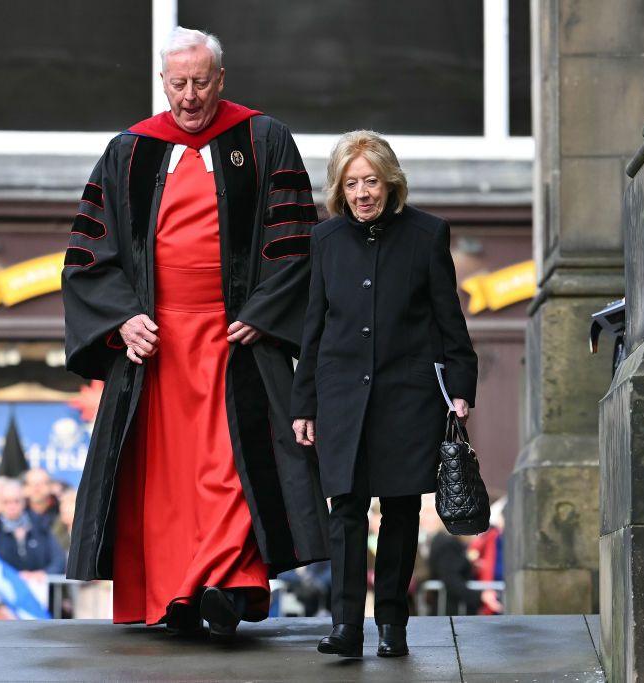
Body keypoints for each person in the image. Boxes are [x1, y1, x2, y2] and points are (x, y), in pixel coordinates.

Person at [62, 26, 328, 639]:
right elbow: (86, 255)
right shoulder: (129, 151)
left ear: (221, 81)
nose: (188, 97)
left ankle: (225, 589)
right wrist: (121, 318)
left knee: (232, 471)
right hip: (157, 345)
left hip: (236, 338)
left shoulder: (263, 139)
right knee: (164, 482)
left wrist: (265, 311)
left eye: (200, 83)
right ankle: (175, 594)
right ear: (163, 82)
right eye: (177, 84)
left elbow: (294, 241)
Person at [291, 131, 479, 658]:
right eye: (351, 184)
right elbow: (314, 327)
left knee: (400, 509)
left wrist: (460, 387)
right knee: (345, 506)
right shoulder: (324, 240)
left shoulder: (426, 235)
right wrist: (303, 401)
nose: (362, 193)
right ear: (339, 189)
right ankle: (346, 626)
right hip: (341, 395)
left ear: (389, 181)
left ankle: (393, 625)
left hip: (407, 395)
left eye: (370, 181)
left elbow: (450, 321)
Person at [0, 479, 66, 576]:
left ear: (24, 502)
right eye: (6, 502)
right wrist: (15, 576)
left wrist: (44, 573)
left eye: (16, 501)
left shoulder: (40, 525)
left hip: (39, 587)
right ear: (0, 503)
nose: (12, 506)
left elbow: (59, 559)